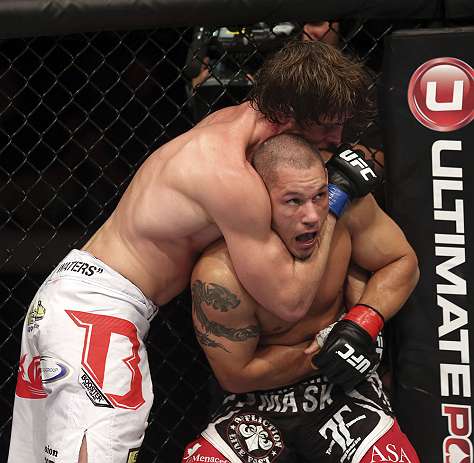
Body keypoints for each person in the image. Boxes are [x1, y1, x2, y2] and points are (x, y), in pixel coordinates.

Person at [8, 41, 377, 463]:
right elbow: (290, 301)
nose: (337, 139)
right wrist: (334, 201)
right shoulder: (230, 174)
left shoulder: (233, 124)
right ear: (289, 115)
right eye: (328, 126)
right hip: (94, 319)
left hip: (73, 301)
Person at [181, 134, 420, 462]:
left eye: (320, 195)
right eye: (293, 201)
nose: (312, 216)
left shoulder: (346, 208)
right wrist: (336, 347)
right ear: (260, 200)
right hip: (257, 404)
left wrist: (362, 322)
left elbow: (401, 262)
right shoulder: (221, 275)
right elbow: (235, 375)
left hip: (341, 392)